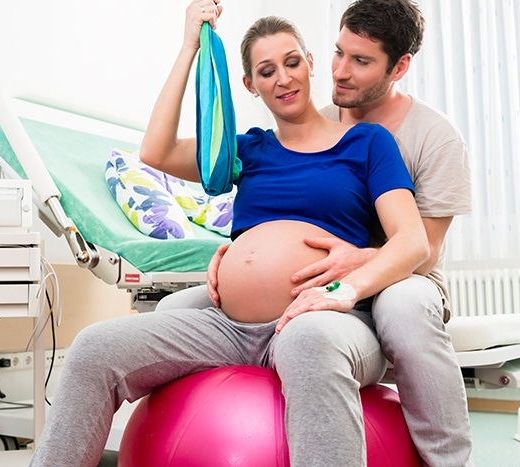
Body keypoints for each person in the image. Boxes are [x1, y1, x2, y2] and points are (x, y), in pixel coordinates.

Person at [29, 1, 429, 465]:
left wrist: (346, 291)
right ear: (250, 85)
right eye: (266, 70)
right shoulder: (246, 150)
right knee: (93, 348)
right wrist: (188, 49)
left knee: (308, 341)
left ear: (310, 63)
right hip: (229, 326)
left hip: (327, 320)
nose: (282, 77)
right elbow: (154, 151)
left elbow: (412, 241)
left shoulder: (366, 142)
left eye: (291, 62)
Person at [158, 0, 474, 465]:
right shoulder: (317, 119)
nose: (340, 72)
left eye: (361, 61)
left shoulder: (433, 137)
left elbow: (422, 250)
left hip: (404, 277)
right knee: (171, 308)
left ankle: (447, 458)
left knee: (404, 309)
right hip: (315, 276)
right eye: (338, 52)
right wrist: (238, 252)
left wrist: (355, 264)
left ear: (400, 67)